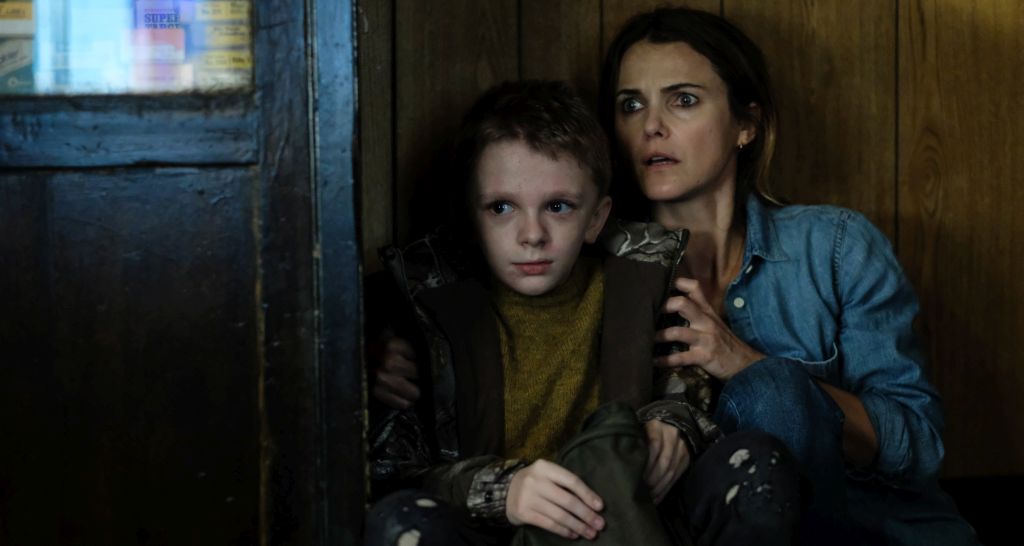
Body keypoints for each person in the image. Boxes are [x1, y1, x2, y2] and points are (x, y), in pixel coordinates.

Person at [373, 7, 980, 546]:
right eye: (630, 105)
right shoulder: (582, 259)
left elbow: (918, 442)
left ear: (746, 123)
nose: (651, 127)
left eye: (683, 100)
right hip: (674, 520)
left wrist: (743, 363)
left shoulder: (834, 247)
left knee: (771, 390)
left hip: (871, 523)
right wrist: (385, 355)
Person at [364, 80, 805, 546]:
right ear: (472, 219)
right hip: (497, 532)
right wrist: (502, 490)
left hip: (631, 523)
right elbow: (395, 473)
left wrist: (674, 426)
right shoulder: (426, 304)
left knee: (758, 463)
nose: (532, 234)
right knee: (399, 520)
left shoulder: (640, 277)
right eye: (501, 207)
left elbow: (687, 391)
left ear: (596, 217)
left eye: (558, 206)